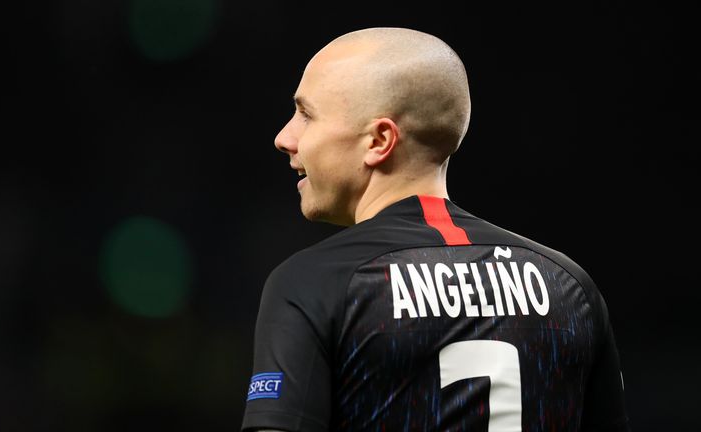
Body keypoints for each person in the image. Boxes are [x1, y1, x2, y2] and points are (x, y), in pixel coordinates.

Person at [242, 27, 629, 432]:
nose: (285, 137)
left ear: (379, 140)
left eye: (306, 114)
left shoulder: (315, 282)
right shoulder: (569, 285)